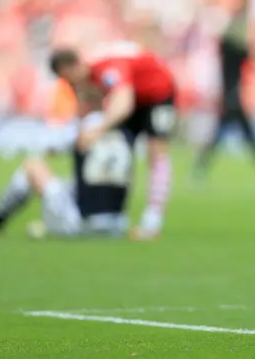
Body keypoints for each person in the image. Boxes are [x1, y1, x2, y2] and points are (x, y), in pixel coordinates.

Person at [0, 86, 135, 242]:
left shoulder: (83, 128)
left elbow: (49, 146)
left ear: (86, 105)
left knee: (33, 166)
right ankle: (50, 222)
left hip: (86, 224)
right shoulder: (123, 132)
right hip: (118, 225)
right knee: (73, 182)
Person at [49, 42, 175, 240]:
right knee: (119, 151)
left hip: (158, 95)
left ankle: (153, 220)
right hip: (137, 100)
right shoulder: (88, 80)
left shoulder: (107, 69)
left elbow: (124, 103)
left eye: (66, 78)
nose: (69, 85)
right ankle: (113, 213)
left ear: (69, 68)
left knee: (156, 153)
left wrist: (97, 131)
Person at [192, 4, 255, 184]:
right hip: (232, 97)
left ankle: (199, 170)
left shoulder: (228, 44)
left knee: (226, 136)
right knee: (245, 135)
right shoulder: (232, 45)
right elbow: (251, 53)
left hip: (230, 96)